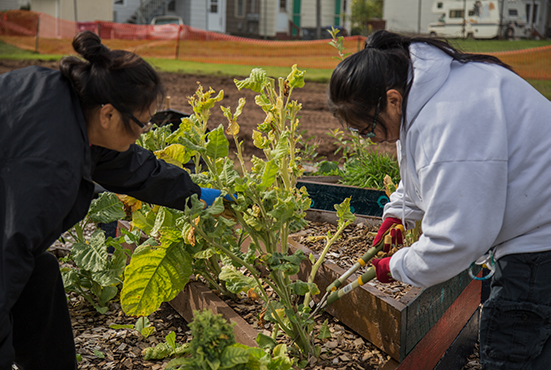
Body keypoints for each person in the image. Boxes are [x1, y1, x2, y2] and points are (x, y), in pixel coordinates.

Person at [328, 30, 551, 369]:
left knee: (510, 353)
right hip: (537, 227)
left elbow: (455, 240)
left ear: (391, 99)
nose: (371, 138)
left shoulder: (449, 116)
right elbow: (423, 168)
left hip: (540, 244)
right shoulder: (424, 92)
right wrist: (398, 213)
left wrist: (395, 267)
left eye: (368, 129)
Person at [0, 30, 222, 369]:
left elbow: (127, 165)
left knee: (39, 275)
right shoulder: (53, 172)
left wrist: (196, 195)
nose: (142, 135)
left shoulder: (64, 99)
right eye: (141, 126)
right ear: (108, 114)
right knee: (19, 273)